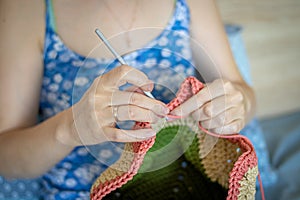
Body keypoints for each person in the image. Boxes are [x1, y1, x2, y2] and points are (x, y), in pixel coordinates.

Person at [0, 0, 275, 199]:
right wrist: (70, 129)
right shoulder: (27, 8)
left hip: (182, 184)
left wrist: (237, 104)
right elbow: (6, 158)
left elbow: (241, 93)